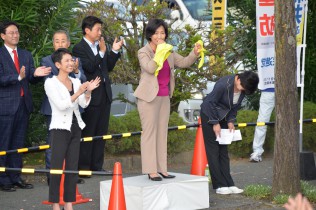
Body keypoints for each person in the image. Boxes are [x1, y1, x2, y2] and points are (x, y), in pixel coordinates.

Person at [134, 18, 202, 181]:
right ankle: (151, 170)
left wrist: (195, 53)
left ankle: (162, 169)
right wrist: (159, 53)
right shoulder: (143, 52)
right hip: (148, 98)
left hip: (164, 96)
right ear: (150, 35)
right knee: (149, 133)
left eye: (162, 32)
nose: (159, 36)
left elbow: (184, 62)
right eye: (156, 33)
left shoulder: (169, 51)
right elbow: (150, 68)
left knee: (162, 133)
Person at [44, 48, 100, 210]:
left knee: (72, 167)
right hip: (59, 128)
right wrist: (80, 92)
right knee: (56, 167)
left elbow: (83, 104)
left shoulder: (75, 81)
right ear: (58, 64)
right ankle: (55, 203)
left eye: (72, 60)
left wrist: (87, 92)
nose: (71, 63)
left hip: (76, 126)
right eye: (67, 60)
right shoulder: (50, 82)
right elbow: (62, 105)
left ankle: (68, 203)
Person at [0, 20, 51, 192]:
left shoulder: (25, 54)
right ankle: (3, 179)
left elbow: (30, 78)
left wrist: (36, 74)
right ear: (2, 36)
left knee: (18, 144)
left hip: (23, 106)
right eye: (11, 32)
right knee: (3, 144)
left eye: (17, 32)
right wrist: (18, 77)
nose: (15, 35)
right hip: (5, 107)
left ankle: (15, 177)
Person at [72, 16, 123, 174]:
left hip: (105, 95)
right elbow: (88, 67)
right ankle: (84, 168)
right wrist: (101, 53)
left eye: (101, 29)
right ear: (87, 30)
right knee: (88, 133)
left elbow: (108, 67)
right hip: (90, 96)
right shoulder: (79, 48)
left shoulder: (100, 45)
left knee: (101, 132)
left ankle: (97, 166)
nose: (100, 32)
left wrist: (113, 50)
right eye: (97, 29)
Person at [200, 71, 259, 194]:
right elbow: (209, 103)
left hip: (224, 117)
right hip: (209, 116)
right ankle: (219, 185)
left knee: (223, 151)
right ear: (238, 79)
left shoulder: (242, 88)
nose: (244, 91)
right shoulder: (223, 84)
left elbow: (234, 107)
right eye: (243, 87)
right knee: (213, 151)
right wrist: (215, 123)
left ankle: (229, 183)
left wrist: (231, 121)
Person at [40, 30, 86, 185]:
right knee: (54, 145)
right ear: (53, 44)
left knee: (72, 145)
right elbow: (53, 77)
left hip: (74, 110)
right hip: (54, 110)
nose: (60, 43)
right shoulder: (47, 60)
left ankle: (70, 176)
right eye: (56, 41)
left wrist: (77, 70)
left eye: (63, 41)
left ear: (68, 43)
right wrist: (68, 69)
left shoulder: (74, 60)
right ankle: (53, 177)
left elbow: (83, 79)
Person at [250, 88, 275, 162]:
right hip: (268, 90)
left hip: (284, 89)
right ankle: (257, 151)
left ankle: (288, 150)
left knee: (288, 122)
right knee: (261, 122)